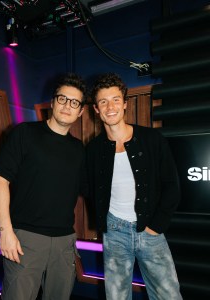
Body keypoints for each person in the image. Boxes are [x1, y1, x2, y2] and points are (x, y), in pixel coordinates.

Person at [86, 73, 182, 300]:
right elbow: (87, 187)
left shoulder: (152, 139)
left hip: (151, 230)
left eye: (115, 99)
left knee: (169, 295)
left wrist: (155, 226)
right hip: (115, 232)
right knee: (116, 296)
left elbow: (172, 186)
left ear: (125, 104)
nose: (110, 106)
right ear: (96, 110)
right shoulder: (93, 149)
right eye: (103, 101)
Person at [0, 73, 86, 300]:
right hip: (25, 239)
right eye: (62, 99)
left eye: (74, 102)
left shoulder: (80, 149)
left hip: (64, 242)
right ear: (52, 102)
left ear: (81, 111)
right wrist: (6, 232)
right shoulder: (25, 133)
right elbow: (0, 181)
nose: (67, 106)